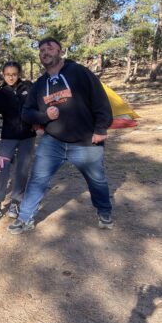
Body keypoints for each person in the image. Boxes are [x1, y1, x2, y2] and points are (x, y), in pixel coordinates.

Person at [8, 37, 114, 234]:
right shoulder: (40, 84)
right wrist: (44, 116)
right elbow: (27, 113)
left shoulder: (79, 72)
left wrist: (101, 128)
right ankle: (25, 218)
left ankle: (104, 211)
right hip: (53, 142)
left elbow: (100, 99)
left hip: (86, 141)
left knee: (97, 180)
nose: (45, 52)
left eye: (49, 48)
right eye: (41, 50)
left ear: (60, 51)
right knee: (37, 179)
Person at [0, 61, 36, 221]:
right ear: (3, 74)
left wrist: (39, 122)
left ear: (19, 74)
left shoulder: (28, 88)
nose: (11, 77)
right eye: (8, 74)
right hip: (8, 136)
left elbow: (38, 105)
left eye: (14, 74)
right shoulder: (1, 92)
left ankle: (15, 201)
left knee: (22, 170)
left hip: (27, 136)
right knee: (2, 168)